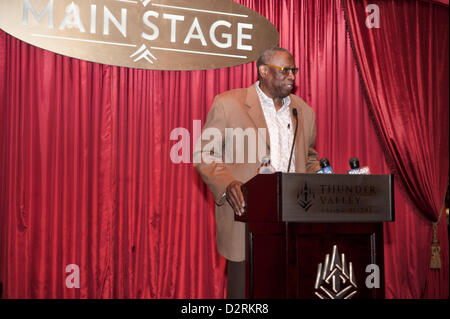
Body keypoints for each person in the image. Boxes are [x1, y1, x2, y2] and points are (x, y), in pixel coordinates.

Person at [194, 46, 321, 298]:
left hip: (295, 222)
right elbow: (204, 154)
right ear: (263, 71)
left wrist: (322, 178)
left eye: (294, 70)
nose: (292, 76)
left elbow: (309, 159)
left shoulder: (304, 111)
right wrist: (228, 183)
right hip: (247, 220)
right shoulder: (228, 104)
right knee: (247, 294)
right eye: (285, 70)